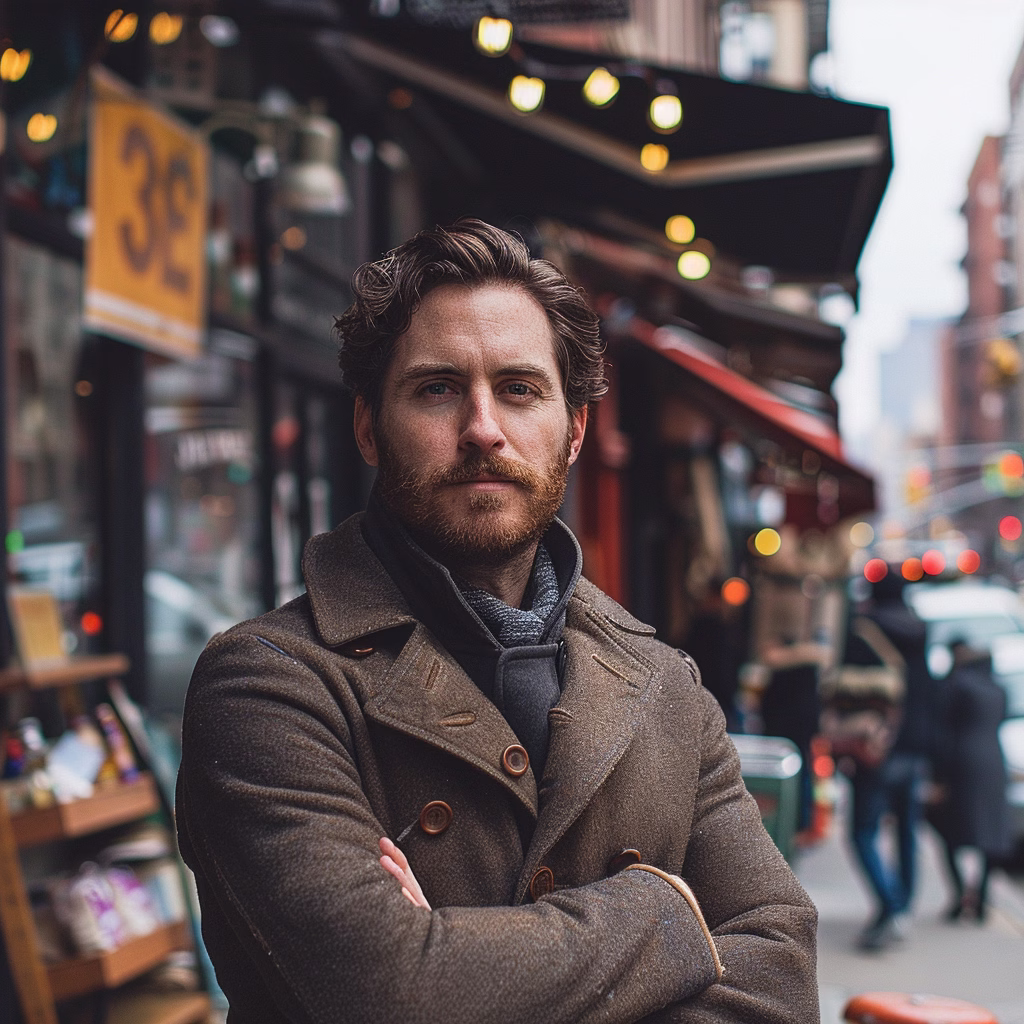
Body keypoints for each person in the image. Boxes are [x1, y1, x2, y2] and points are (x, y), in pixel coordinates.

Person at [176, 220, 818, 1023]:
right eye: (437, 387)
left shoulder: (664, 688)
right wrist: (663, 914)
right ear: (369, 426)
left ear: (575, 428)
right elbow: (392, 993)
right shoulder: (268, 685)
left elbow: (782, 970)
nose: (483, 428)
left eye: (519, 388)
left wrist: (454, 956)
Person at [842, 570, 934, 951]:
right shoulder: (920, 630)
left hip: (876, 745)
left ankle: (891, 904)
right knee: (906, 830)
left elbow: (843, 686)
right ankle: (902, 905)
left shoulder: (865, 630)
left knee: (862, 831)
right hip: (914, 745)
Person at [931, 640, 1011, 922]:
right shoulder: (999, 689)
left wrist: (938, 775)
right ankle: (982, 897)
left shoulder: (957, 685)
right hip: (993, 761)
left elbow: (942, 729)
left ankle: (959, 894)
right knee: (990, 833)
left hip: (962, 762)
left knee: (949, 831)